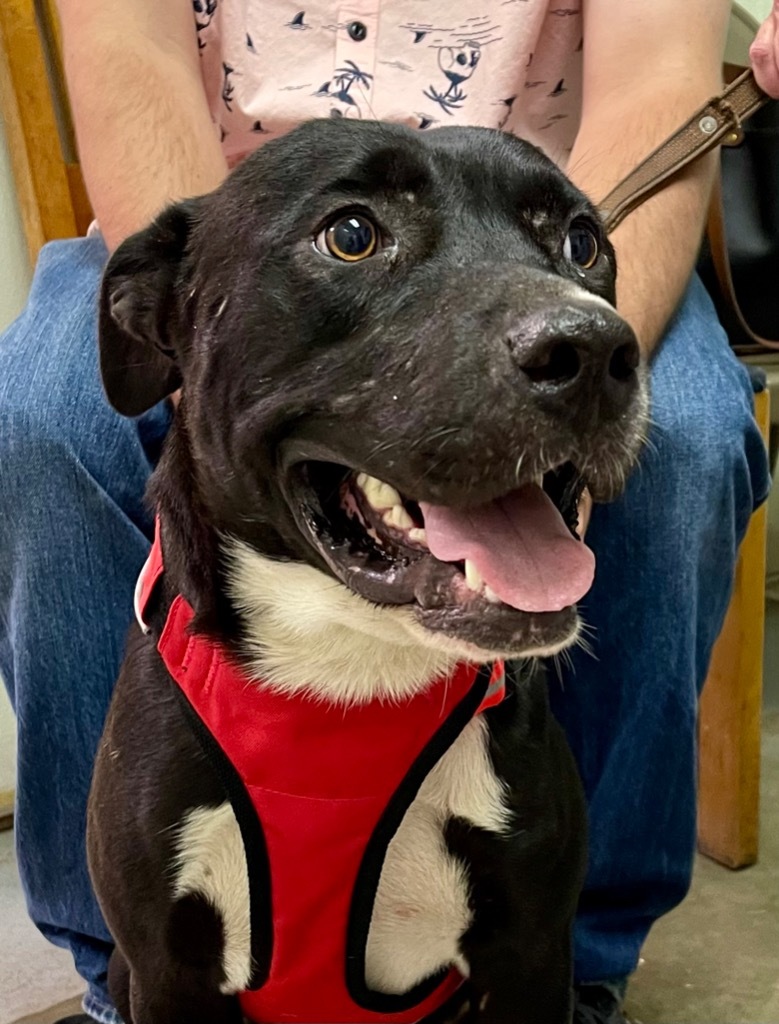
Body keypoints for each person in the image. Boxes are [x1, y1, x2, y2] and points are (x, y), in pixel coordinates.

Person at [1, 2, 777, 1023]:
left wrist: (545, 396)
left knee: (681, 437)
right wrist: (222, 331)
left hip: (534, 221)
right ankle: (127, 959)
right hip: (239, 220)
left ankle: (572, 956)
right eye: (359, 235)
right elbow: (127, 54)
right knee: (41, 412)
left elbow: (655, 88)